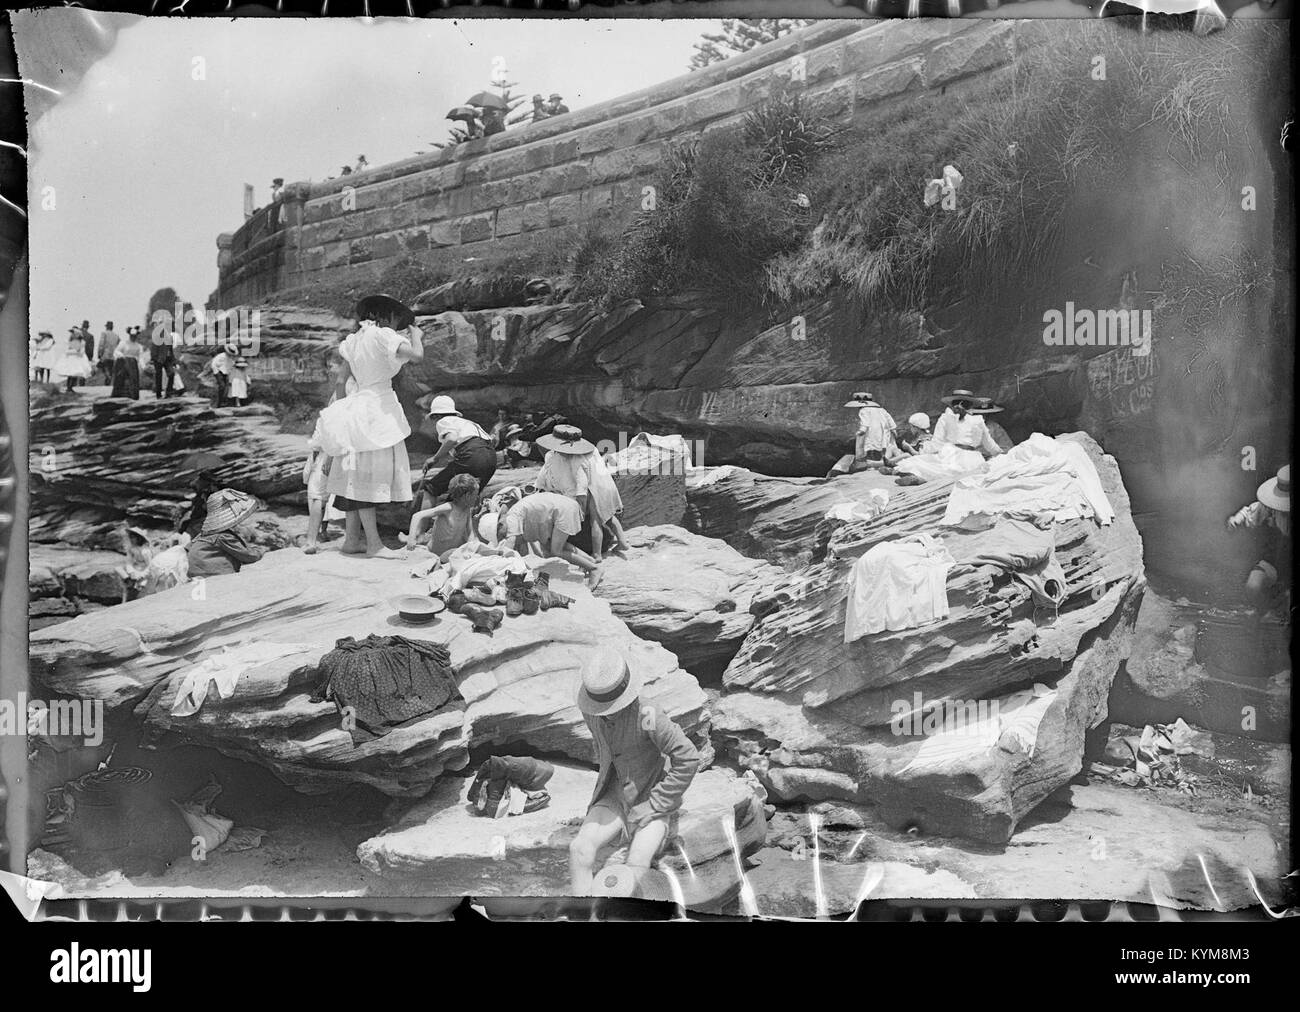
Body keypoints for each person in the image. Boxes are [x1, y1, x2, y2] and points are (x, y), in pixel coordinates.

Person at [569, 648, 701, 896]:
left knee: (636, 864)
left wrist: (656, 803)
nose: (605, 711)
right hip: (613, 793)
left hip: (651, 793)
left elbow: (688, 756)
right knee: (579, 849)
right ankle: (582, 913)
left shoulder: (647, 714)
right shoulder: (590, 709)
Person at [312, 293, 424, 557]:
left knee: (356, 475)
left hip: (358, 405)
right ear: (388, 315)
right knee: (371, 476)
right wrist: (416, 335)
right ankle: (374, 545)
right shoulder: (383, 335)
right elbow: (417, 356)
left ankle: (352, 540)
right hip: (378, 409)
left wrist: (343, 411)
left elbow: (341, 383)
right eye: (397, 318)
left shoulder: (354, 340)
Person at [537, 424, 629, 562]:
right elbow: (544, 473)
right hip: (602, 484)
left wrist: (580, 506)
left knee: (596, 521)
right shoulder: (554, 456)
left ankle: (597, 554)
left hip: (594, 488)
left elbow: (582, 485)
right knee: (609, 515)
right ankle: (622, 542)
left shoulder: (577, 459)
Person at [488, 489, 602, 588]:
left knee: (556, 551)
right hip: (564, 507)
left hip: (563, 510)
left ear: (499, 526)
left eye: (501, 535)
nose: (504, 537)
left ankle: (594, 569)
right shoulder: (513, 514)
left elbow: (510, 546)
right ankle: (590, 561)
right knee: (551, 546)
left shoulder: (511, 519)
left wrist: (498, 564)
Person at [1227, 464, 1290, 608]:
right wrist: (1236, 519)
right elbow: (1249, 511)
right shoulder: (1269, 508)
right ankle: (1262, 612)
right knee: (1253, 587)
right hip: (1273, 562)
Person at [419, 394, 497, 511]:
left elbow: (451, 439)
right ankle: (461, 528)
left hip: (472, 456)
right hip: (491, 459)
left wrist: (434, 459)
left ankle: (421, 527)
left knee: (431, 488)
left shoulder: (444, 421)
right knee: (462, 498)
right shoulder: (470, 423)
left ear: (436, 415)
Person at [186, 488, 265, 578]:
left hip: (195, 572)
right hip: (213, 573)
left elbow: (188, 547)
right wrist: (260, 550)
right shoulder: (224, 537)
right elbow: (249, 556)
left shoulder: (203, 535)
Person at [401, 472, 481, 558]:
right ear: (467, 496)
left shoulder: (467, 510)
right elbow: (417, 516)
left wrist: (473, 546)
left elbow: (470, 533)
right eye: (475, 495)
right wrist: (411, 538)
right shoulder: (448, 508)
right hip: (434, 554)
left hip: (450, 554)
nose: (477, 497)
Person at [932, 388, 1003, 457]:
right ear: (952, 405)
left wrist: (1001, 455)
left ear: (970, 407)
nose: (959, 407)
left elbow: (989, 443)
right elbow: (937, 441)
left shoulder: (977, 421)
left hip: (970, 457)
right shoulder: (945, 418)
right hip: (949, 456)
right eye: (956, 403)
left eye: (965, 404)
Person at [844, 391, 898, 470]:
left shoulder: (863, 411)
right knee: (883, 446)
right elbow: (889, 419)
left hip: (872, 431)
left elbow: (865, 422)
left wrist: (862, 430)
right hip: (883, 430)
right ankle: (881, 462)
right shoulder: (881, 409)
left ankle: (873, 464)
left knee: (871, 447)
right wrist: (893, 429)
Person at [54, 327, 94, 392]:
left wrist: (77, 352)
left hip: (77, 359)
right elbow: (66, 351)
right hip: (71, 359)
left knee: (74, 374)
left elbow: (81, 351)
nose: (72, 335)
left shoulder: (81, 342)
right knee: (70, 373)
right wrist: (74, 351)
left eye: (73, 333)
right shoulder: (70, 341)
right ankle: (69, 387)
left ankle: (70, 387)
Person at [110, 327, 144, 399]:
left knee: (133, 380)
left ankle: (133, 395)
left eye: (135, 336)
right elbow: (116, 351)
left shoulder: (138, 346)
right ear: (129, 335)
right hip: (123, 363)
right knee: (120, 378)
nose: (133, 337)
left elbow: (140, 356)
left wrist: (143, 365)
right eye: (132, 336)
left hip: (133, 365)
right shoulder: (123, 343)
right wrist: (121, 356)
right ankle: (118, 394)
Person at [150, 325, 177, 399]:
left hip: (168, 359)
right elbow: (154, 347)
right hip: (159, 358)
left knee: (171, 373)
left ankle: (169, 393)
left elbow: (170, 350)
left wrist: (173, 360)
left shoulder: (170, 337)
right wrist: (154, 358)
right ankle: (158, 395)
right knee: (159, 376)